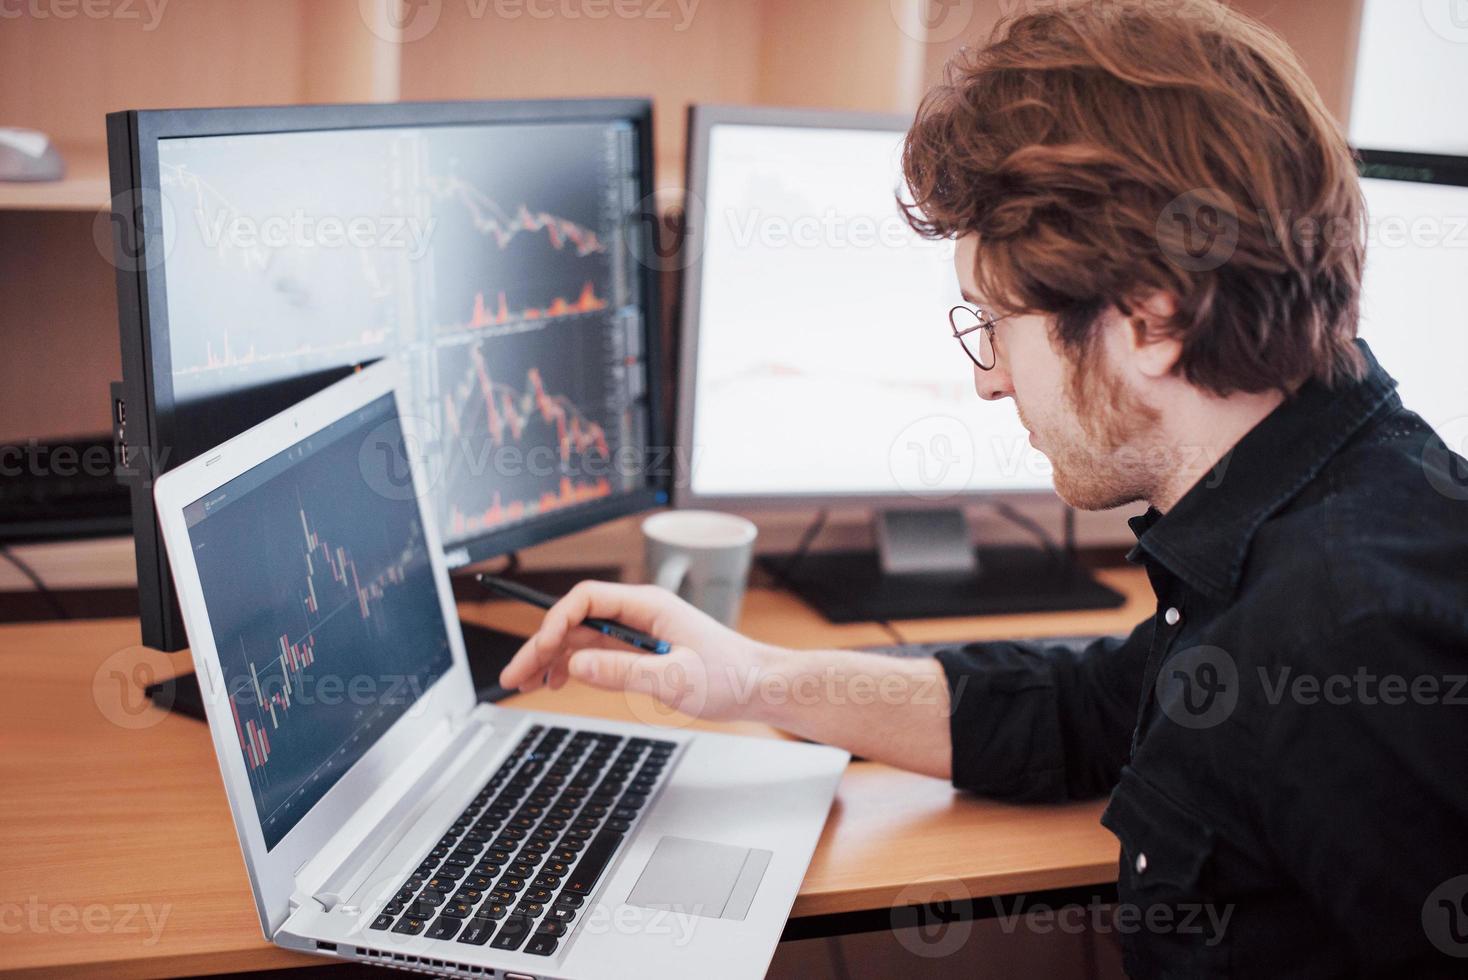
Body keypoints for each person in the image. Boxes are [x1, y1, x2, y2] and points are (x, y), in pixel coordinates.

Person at [500, 1, 1468, 975]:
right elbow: (1084, 709)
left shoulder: (1348, 636)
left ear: (1149, 321)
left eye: (996, 322)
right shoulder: (1295, 519)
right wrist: (752, 677)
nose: (988, 377)